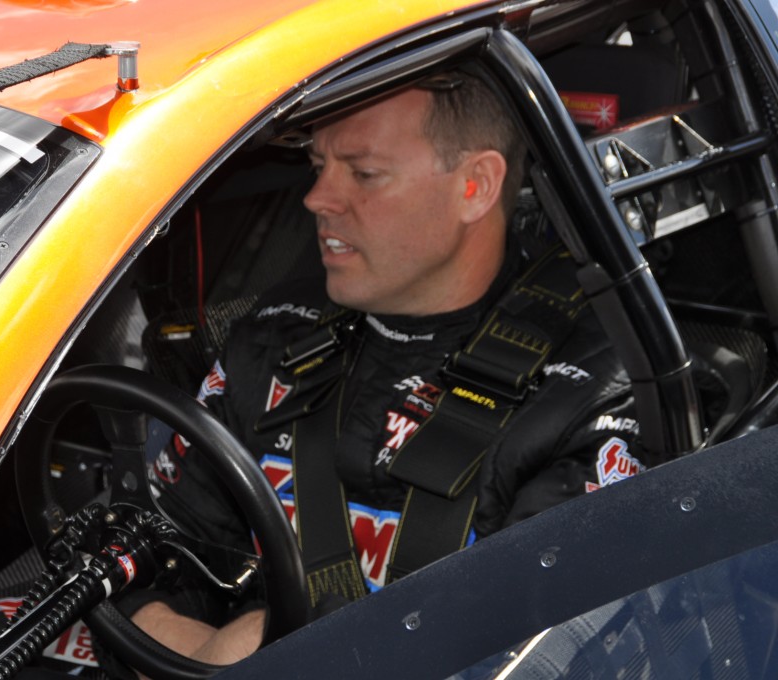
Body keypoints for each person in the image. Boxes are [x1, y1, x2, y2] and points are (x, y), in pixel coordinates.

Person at [125, 69, 647, 665]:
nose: (316, 198)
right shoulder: (272, 335)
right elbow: (152, 566)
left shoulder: (590, 391)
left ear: (475, 186)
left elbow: (539, 654)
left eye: (364, 173)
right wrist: (222, 653)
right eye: (318, 165)